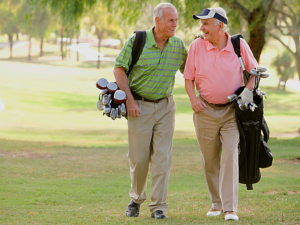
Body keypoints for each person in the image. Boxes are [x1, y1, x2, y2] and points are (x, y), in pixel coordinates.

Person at [113, 2, 187, 219]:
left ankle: (159, 207)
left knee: (162, 157)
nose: (175, 24)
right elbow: (119, 68)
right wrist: (129, 100)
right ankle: (136, 199)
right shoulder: (138, 40)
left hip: (165, 106)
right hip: (139, 106)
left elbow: (193, 70)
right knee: (139, 158)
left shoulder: (179, 46)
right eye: (170, 20)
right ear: (158, 21)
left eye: (176, 20)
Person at [184, 7, 258, 221]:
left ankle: (230, 208)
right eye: (202, 24)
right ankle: (216, 203)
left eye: (206, 23)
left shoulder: (238, 44)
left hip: (231, 112)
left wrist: (247, 92)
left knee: (230, 154)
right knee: (210, 160)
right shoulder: (197, 46)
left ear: (220, 25)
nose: (202, 27)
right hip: (205, 110)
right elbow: (188, 78)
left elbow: (254, 74)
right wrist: (193, 99)